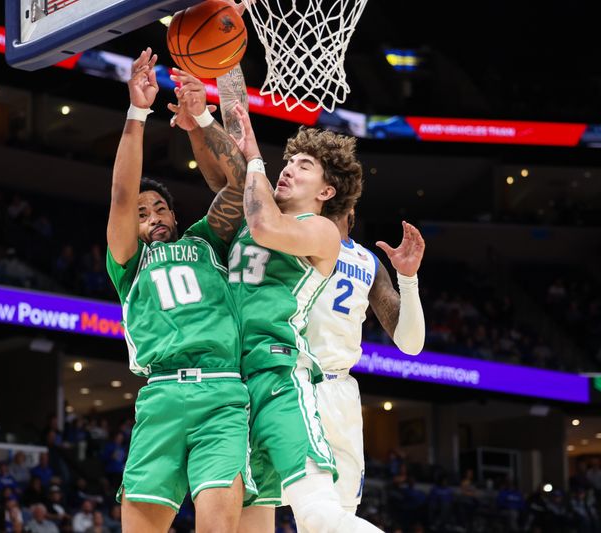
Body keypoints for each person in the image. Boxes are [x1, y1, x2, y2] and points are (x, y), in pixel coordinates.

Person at [190, 94, 382, 532]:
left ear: (327, 191)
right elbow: (223, 177)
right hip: (231, 387)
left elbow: (264, 227)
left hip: (280, 378)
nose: (290, 167)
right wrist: (197, 118)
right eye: (289, 159)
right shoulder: (257, 208)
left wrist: (256, 154)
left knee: (316, 514)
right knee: (247, 521)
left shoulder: (320, 231)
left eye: (304, 166)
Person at [105, 47, 254, 532]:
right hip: (162, 395)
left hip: (222, 394)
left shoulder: (207, 240)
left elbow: (242, 185)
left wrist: (201, 118)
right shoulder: (129, 262)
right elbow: (123, 195)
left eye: (160, 209)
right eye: (143, 214)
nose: (151, 217)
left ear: (174, 214)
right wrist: (137, 112)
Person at [301, 210, 425, 518]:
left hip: (340, 392)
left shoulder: (367, 261)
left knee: (339, 513)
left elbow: (410, 343)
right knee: (273, 507)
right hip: (294, 380)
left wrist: (408, 279)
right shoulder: (295, 237)